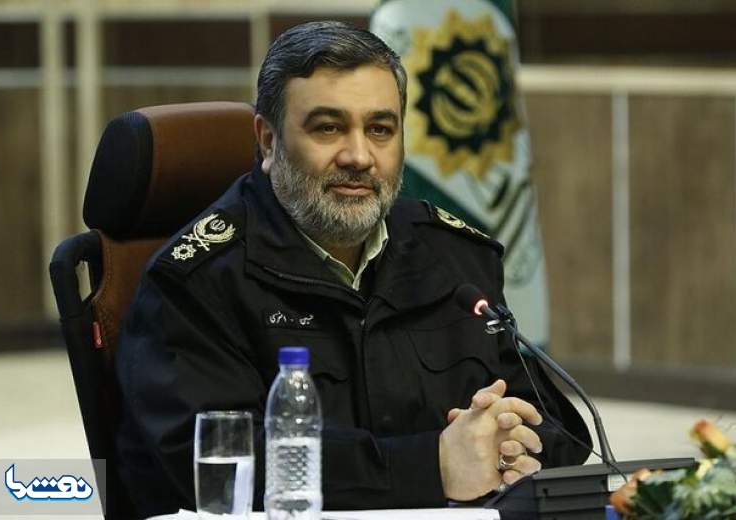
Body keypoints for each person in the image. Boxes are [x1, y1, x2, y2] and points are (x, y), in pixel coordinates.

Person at [115, 20, 590, 519]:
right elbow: (220, 471)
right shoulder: (197, 281)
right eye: (328, 127)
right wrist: (432, 465)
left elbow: (556, 429)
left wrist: (512, 444)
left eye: (380, 129)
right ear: (268, 141)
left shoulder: (455, 259)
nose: (359, 156)